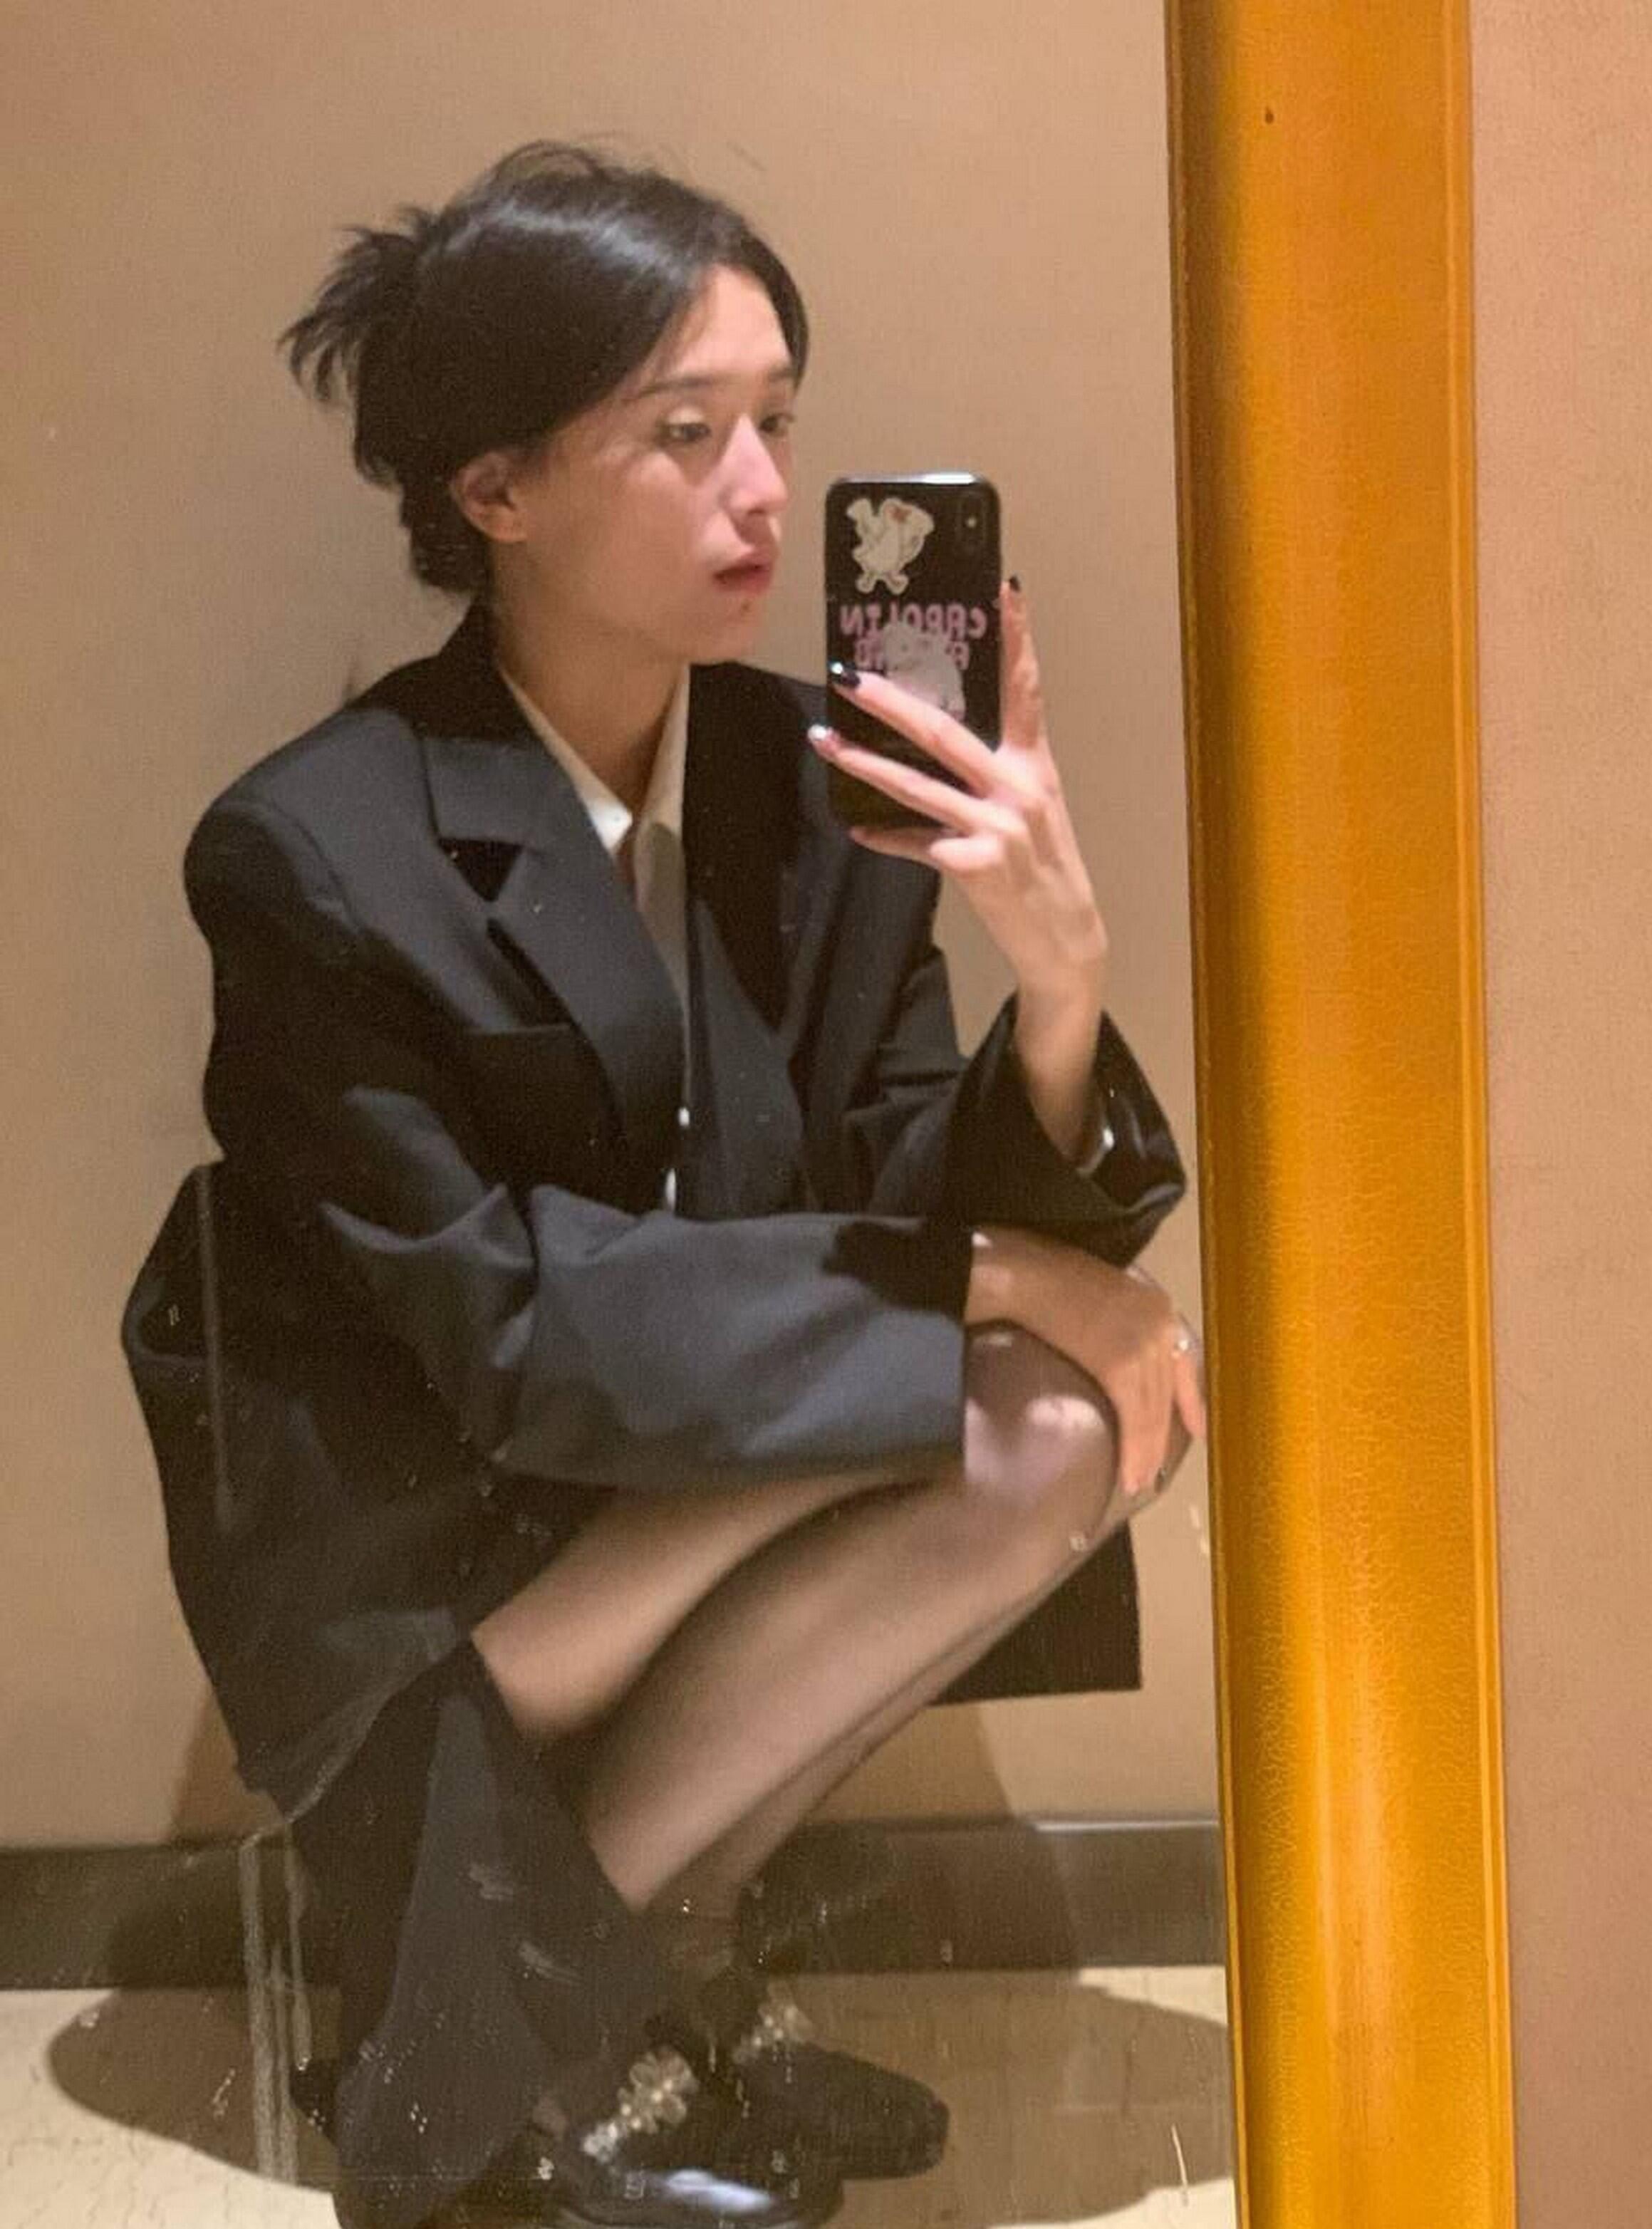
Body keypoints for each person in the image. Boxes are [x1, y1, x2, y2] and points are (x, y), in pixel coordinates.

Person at [120, 142, 1205, 2229]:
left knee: (1062, 1427)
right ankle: (507, 2054)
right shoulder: (319, 851)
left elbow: (902, 1184)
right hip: (443, 1535)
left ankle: (646, 1984)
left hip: (674, 1474)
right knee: (992, 1375)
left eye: (777, 421)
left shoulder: (821, 787)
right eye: (684, 432)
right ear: (495, 488)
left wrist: (1059, 981)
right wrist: (994, 1276)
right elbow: (511, 1328)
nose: (765, 492)